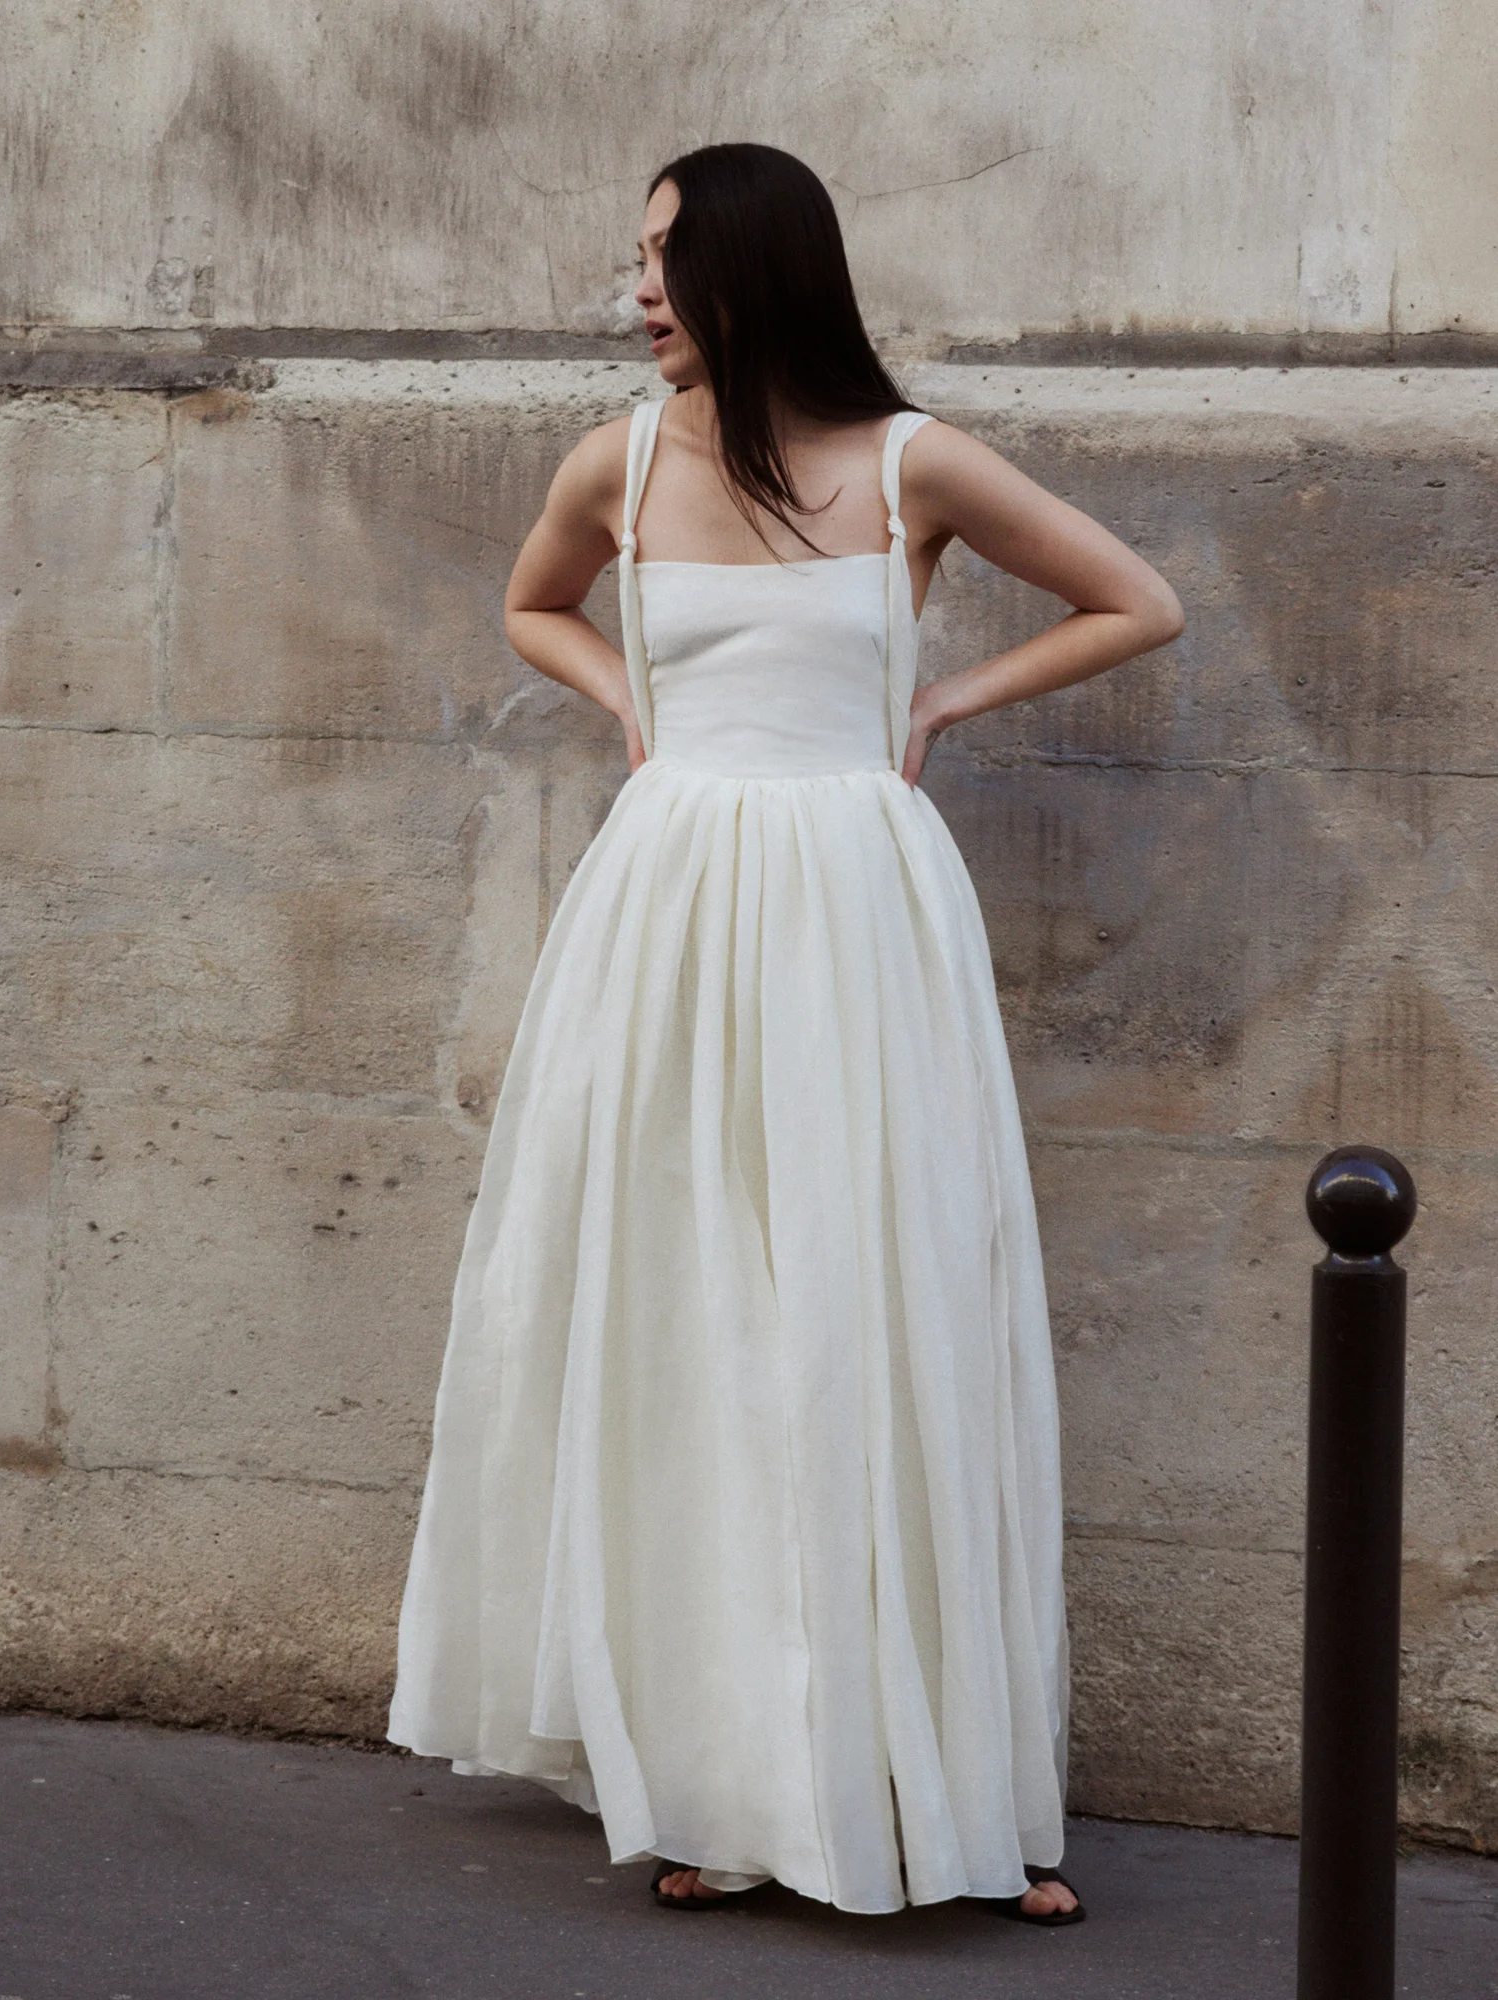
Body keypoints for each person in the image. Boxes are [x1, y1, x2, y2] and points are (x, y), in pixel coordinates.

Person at [388, 142, 1183, 1921]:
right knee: (691, 1320)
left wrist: (940, 699)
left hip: (854, 912)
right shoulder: (615, 460)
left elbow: (1140, 601)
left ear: (760, 269)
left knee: (868, 1312)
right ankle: (725, 1780)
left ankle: (924, 1789)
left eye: (666, 257)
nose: (638, 291)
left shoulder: (914, 464)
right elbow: (532, 605)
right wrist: (634, 705)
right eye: (637, 257)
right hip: (667, 904)